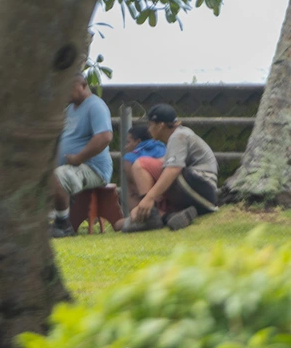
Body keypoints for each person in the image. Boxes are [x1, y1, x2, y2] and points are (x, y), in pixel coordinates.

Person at [122, 104, 219, 232]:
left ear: (160, 125)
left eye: (150, 125)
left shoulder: (178, 136)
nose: (148, 130)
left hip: (200, 186)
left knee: (141, 164)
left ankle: (151, 216)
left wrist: (148, 198)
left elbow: (173, 169)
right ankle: (168, 216)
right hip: (202, 194)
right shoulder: (179, 135)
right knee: (155, 169)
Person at [48, 73, 114, 239]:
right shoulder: (70, 109)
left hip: (93, 167)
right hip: (72, 166)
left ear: (83, 85)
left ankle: (63, 224)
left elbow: (105, 137)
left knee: (57, 176)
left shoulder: (95, 106)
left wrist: (79, 158)